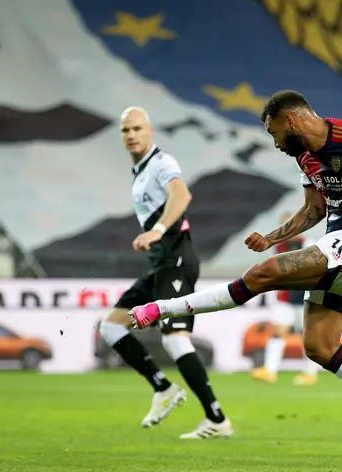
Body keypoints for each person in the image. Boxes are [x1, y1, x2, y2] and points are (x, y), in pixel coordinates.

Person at [129, 90, 342, 463]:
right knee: (319, 346)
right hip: (338, 245)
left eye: (273, 132)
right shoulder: (304, 157)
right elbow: (312, 210)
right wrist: (271, 238)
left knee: (262, 275)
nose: (275, 142)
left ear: (291, 121)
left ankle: (161, 308)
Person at [97, 107, 233, 439]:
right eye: (125, 130)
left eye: (137, 128)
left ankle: (217, 420)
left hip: (177, 261)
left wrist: (157, 230)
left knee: (174, 339)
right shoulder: (140, 172)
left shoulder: (161, 163)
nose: (131, 135)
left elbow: (182, 194)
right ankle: (163, 388)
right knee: (112, 326)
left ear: (150, 131)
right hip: (160, 265)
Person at [249, 213, 319, 385]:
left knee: (308, 336)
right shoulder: (277, 247)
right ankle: (269, 371)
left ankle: (310, 373)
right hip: (285, 298)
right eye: (284, 226)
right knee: (278, 332)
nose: (286, 230)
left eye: (289, 225)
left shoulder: (309, 245)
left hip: (306, 298)